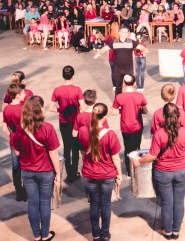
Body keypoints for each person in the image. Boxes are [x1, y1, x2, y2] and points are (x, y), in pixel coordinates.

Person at [134, 103, 185, 240]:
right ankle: (176, 232)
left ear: (164, 116)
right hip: (181, 171)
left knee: (167, 203)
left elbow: (152, 156)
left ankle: (167, 231)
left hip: (163, 172)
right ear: (178, 116)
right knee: (179, 202)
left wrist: (139, 161)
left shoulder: (159, 134)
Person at [11, 96, 61, 241]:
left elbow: (17, 152)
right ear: (41, 110)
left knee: (32, 203)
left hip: (27, 171)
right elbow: (53, 153)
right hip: (45, 171)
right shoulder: (48, 128)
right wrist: (58, 173)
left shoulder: (20, 130)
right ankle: (45, 235)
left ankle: (36, 236)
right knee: (45, 203)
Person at [78, 103, 122, 241]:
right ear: (105, 116)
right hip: (107, 175)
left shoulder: (83, 131)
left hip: (90, 174)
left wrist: (86, 164)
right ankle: (104, 234)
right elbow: (115, 157)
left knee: (94, 204)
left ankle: (95, 234)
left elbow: (83, 152)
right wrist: (119, 174)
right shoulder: (110, 134)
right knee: (106, 205)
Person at [49, 65, 83, 183]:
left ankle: (69, 173)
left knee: (67, 147)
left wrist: (61, 109)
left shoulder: (57, 90)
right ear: (73, 76)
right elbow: (83, 107)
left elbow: (51, 108)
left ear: (63, 75)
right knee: (75, 147)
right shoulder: (77, 90)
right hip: (75, 122)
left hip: (63, 122)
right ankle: (74, 171)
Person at [112, 74, 148, 176]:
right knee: (137, 147)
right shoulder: (140, 96)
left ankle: (129, 171)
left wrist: (122, 110)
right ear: (134, 83)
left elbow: (114, 112)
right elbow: (145, 111)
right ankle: (137, 168)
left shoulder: (119, 97)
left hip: (125, 127)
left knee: (127, 148)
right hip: (137, 126)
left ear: (124, 83)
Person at [95, 25, 146, 96]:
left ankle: (129, 100)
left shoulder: (131, 42)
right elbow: (106, 48)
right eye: (124, 32)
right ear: (120, 33)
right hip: (117, 68)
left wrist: (144, 50)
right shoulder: (114, 42)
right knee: (118, 87)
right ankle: (118, 101)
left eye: (127, 32)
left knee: (129, 87)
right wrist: (99, 53)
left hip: (128, 68)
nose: (126, 34)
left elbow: (140, 47)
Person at [2, 83, 28, 201]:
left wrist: (12, 136)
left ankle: (18, 190)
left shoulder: (6, 109)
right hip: (25, 141)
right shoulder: (23, 109)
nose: (25, 94)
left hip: (13, 141)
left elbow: (4, 128)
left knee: (16, 166)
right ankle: (26, 190)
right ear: (17, 95)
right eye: (23, 93)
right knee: (26, 165)